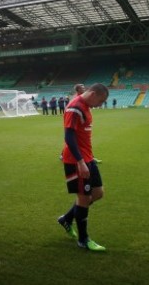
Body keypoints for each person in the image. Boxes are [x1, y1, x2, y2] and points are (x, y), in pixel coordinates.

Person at [56, 83, 109, 251]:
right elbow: (69, 137)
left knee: (98, 193)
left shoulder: (85, 106)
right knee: (84, 198)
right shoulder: (75, 108)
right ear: (93, 94)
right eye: (100, 101)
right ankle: (83, 240)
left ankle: (67, 218)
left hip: (88, 158)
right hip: (76, 161)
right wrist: (80, 162)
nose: (100, 105)